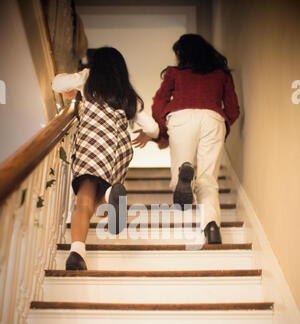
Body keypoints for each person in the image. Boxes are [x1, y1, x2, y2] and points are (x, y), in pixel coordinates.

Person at [52, 47, 159, 270]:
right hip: (117, 149)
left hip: (91, 143)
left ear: (95, 66)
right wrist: (149, 135)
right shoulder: (127, 93)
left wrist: (73, 85)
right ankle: (111, 195)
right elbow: (153, 127)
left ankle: (77, 251)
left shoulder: (87, 77)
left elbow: (57, 84)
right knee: (101, 190)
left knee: (84, 202)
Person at [136, 34, 240, 244]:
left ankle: (182, 181)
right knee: (208, 180)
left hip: (181, 118)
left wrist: (162, 133)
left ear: (183, 55)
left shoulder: (174, 73)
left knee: (181, 169)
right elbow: (233, 109)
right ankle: (211, 227)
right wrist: (222, 125)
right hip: (213, 119)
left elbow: (158, 104)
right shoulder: (221, 74)